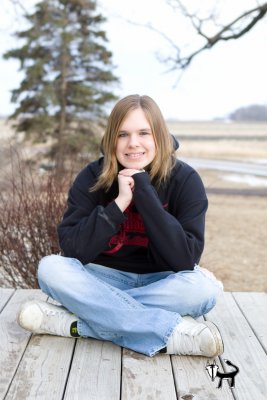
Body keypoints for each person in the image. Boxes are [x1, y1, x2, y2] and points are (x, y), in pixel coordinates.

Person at [17, 94, 224, 357]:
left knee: (203, 290)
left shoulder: (185, 180)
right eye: (123, 134)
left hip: (161, 282)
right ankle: (171, 332)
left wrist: (144, 193)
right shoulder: (92, 176)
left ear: (159, 136)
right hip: (101, 279)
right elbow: (72, 250)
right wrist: (120, 202)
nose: (133, 143)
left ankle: (77, 323)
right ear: (111, 138)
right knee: (50, 268)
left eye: (143, 133)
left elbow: (184, 259)